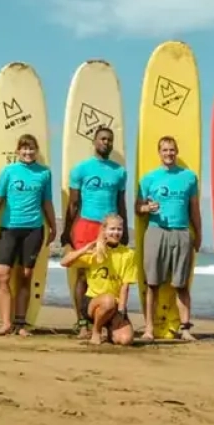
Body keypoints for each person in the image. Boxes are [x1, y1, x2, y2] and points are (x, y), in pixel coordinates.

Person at [0, 133, 56, 336]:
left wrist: (53, 225)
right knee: (1, 275)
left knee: (25, 276)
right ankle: (6, 323)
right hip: (9, 228)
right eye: (24, 148)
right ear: (18, 151)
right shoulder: (9, 172)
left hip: (33, 229)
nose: (28, 152)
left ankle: (20, 323)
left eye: (31, 148)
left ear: (36, 151)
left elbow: (47, 202)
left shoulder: (44, 174)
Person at [61, 125, 127, 338]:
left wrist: (124, 230)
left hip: (110, 228)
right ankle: (82, 322)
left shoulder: (120, 172)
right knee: (82, 274)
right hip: (86, 225)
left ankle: (104, 320)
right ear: (94, 141)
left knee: (108, 275)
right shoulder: (81, 169)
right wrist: (66, 231)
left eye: (109, 140)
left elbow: (121, 202)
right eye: (102, 139)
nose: (106, 143)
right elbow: (72, 203)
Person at [135, 135, 201, 341]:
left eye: (172, 150)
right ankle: (148, 329)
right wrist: (147, 208)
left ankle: (185, 329)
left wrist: (198, 234)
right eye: (165, 150)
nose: (169, 154)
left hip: (181, 232)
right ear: (159, 153)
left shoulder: (189, 177)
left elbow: (194, 210)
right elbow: (137, 208)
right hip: (156, 231)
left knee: (181, 284)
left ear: (177, 152)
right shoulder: (148, 178)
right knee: (152, 283)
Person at [60, 213, 136, 346]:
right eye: (112, 229)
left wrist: (121, 312)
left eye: (119, 229)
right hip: (93, 303)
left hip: (116, 305)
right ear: (104, 231)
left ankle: (110, 329)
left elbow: (125, 286)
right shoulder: (96, 252)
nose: (116, 232)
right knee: (108, 300)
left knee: (125, 340)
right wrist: (86, 248)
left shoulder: (128, 254)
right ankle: (96, 331)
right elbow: (64, 262)